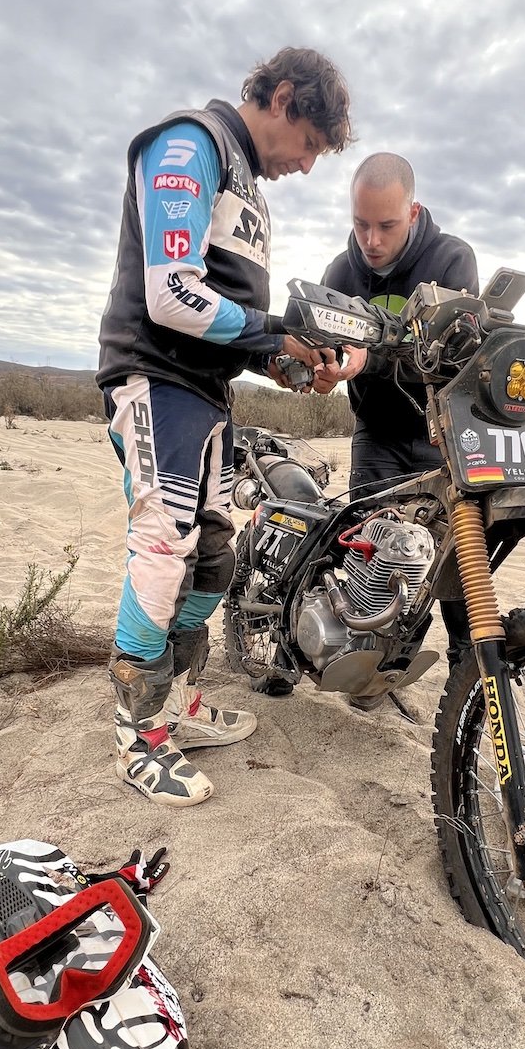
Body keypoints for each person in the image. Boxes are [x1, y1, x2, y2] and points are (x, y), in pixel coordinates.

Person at [97, 47, 353, 806]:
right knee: (163, 548)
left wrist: (288, 363)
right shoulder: (189, 144)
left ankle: (173, 711)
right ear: (281, 97)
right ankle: (135, 739)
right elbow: (172, 292)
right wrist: (275, 333)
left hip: (204, 391)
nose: (307, 166)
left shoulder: (245, 180)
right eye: (309, 144)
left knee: (213, 558)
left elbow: (224, 322)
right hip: (153, 378)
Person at [322, 153, 478, 693]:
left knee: (453, 565)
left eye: (386, 224)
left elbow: (454, 355)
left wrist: (374, 356)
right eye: (360, 223)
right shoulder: (339, 276)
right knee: (370, 553)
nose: (371, 238)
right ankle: (372, 674)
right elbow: (329, 346)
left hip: (442, 438)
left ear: (412, 211)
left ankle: (472, 680)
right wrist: (323, 366)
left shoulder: (452, 259)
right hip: (377, 432)